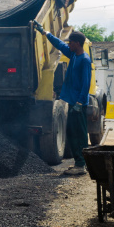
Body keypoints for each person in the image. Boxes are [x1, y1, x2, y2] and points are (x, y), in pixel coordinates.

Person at [34, 21, 91, 176]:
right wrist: (45, 33)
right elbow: (59, 45)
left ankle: (81, 165)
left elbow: (86, 84)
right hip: (72, 102)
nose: (69, 44)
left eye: (71, 42)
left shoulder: (84, 60)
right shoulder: (73, 55)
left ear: (77, 44)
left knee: (79, 135)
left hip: (78, 104)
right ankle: (78, 163)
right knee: (72, 133)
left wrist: (80, 102)